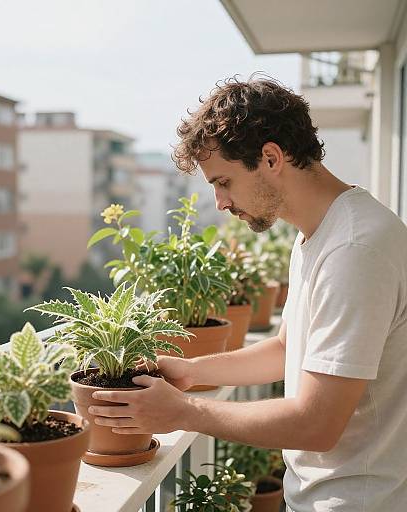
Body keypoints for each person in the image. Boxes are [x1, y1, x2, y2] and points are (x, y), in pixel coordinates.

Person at [90, 77, 407, 511]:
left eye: (224, 182)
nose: (220, 202)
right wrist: (191, 369)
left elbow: (317, 424)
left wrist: (182, 412)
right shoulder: (319, 232)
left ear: (271, 158)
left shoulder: (356, 248)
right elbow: (285, 348)